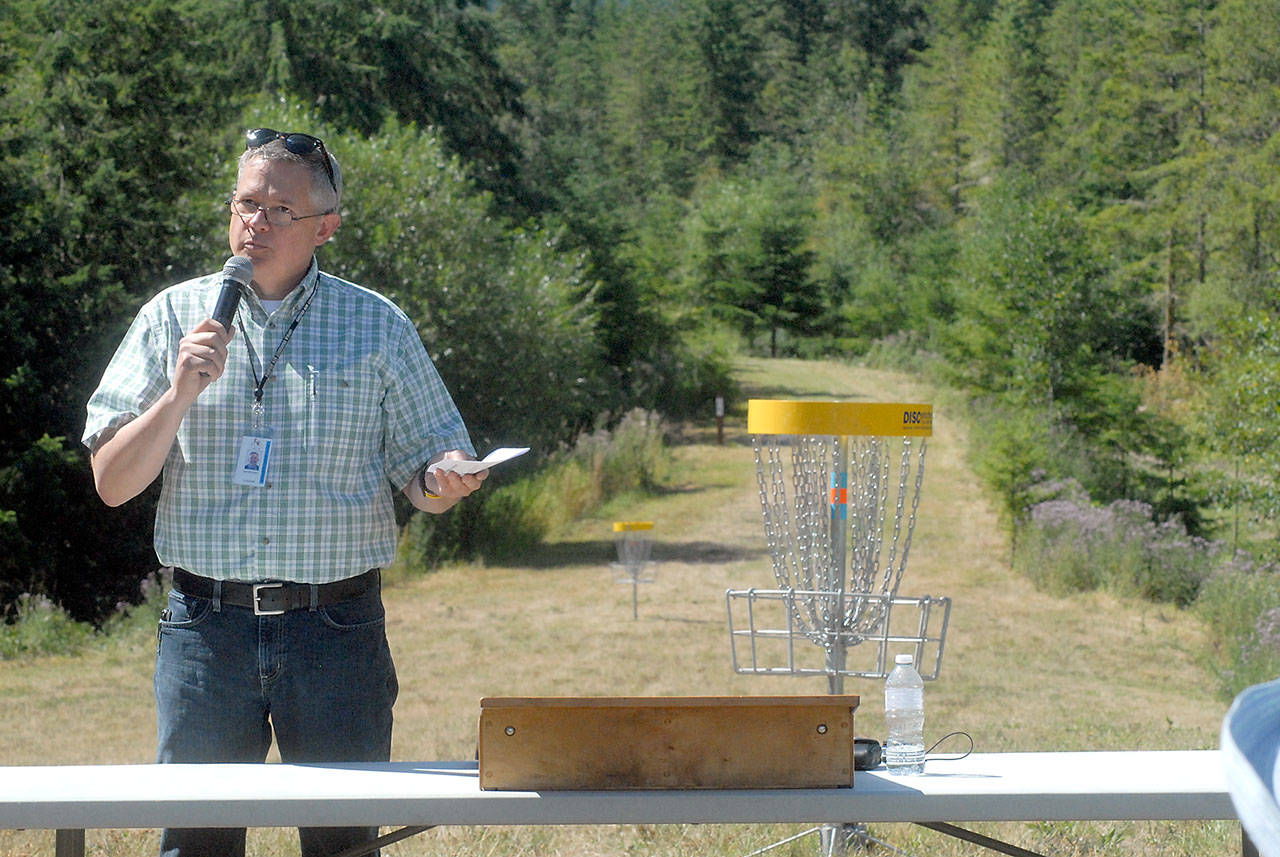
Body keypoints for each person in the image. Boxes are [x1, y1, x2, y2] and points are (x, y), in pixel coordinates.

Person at [82, 128, 487, 857]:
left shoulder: (378, 325)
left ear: (325, 227)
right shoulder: (173, 318)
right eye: (245, 204)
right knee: (195, 845)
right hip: (205, 630)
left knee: (344, 843)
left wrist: (447, 476)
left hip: (336, 631)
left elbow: (428, 467)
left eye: (278, 209)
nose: (255, 223)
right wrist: (177, 395)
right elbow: (112, 483)